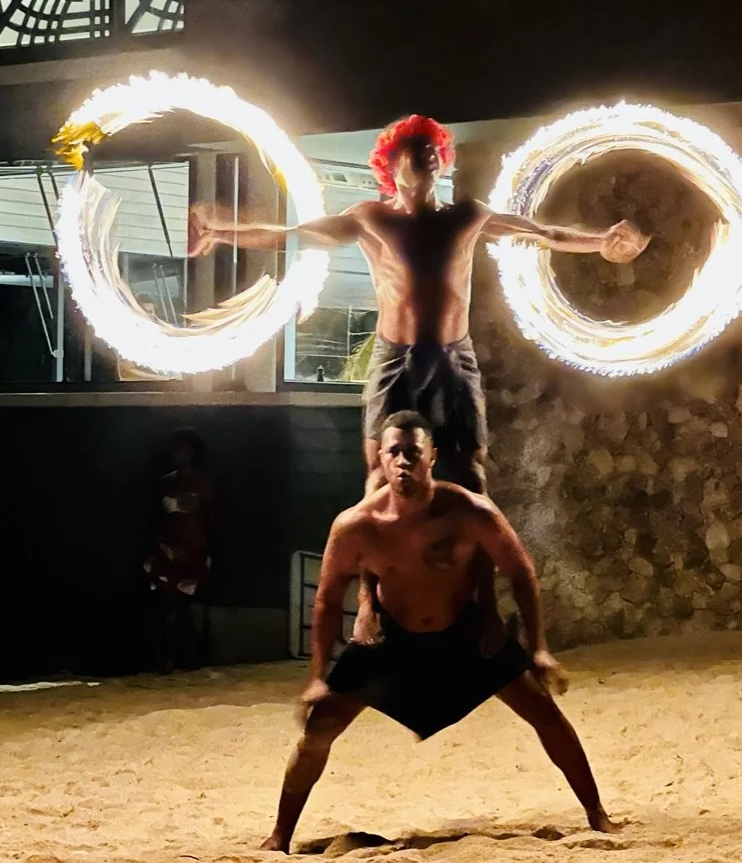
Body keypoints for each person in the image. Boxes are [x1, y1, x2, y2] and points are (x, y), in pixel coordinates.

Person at [190, 115, 650, 645]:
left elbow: (541, 233)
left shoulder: (467, 216)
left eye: (432, 148)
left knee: (471, 472)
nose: (427, 155)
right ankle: (369, 606)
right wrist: (221, 231)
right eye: (414, 148)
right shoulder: (370, 219)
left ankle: (483, 605)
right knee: (379, 475)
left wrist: (601, 242)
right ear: (390, 164)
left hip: (454, 359)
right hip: (395, 360)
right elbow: (295, 235)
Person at [260, 411, 617, 853]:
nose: (403, 462)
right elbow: (328, 599)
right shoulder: (357, 525)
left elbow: (520, 572)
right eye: (394, 452)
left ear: (432, 456)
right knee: (318, 729)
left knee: (543, 711)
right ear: (381, 460)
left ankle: (597, 814)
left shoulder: (470, 512)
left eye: (413, 452)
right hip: (391, 641)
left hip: (463, 633)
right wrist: (317, 676)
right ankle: (280, 836)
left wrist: (539, 648)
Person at [143, 427, 215, 673]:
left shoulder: (203, 484)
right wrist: (157, 550)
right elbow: (155, 519)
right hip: (168, 550)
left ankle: (196, 658)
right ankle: (167, 659)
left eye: (184, 449)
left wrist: (207, 550)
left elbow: (211, 520)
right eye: (175, 450)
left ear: (192, 452)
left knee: (193, 606)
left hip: (194, 550)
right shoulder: (165, 484)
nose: (179, 455)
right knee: (167, 605)